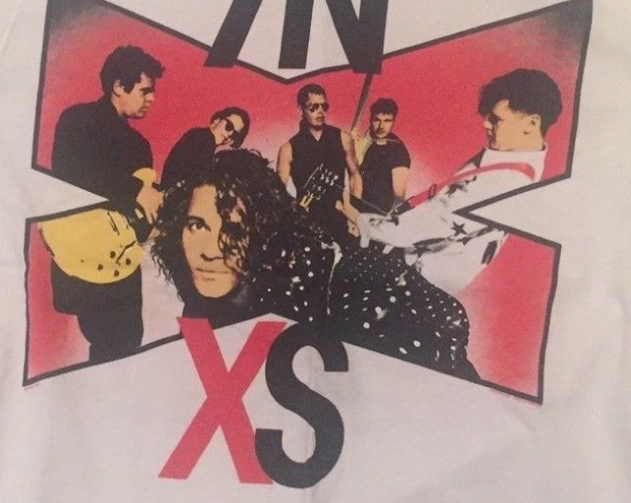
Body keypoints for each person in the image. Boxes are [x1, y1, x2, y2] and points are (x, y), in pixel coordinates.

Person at [153, 150, 476, 379]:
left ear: (264, 231)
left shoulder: (338, 282)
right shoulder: (201, 296)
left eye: (234, 230)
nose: (210, 252)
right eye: (197, 226)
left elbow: (448, 318)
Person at [355, 69, 563, 295]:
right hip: (405, 266)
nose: (486, 125)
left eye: (496, 119)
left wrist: (358, 220)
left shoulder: (504, 182)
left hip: (409, 284)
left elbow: (425, 224)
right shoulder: (509, 157)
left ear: (531, 124)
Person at [49, 45, 165, 362]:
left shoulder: (140, 145)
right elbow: (70, 176)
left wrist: (155, 218)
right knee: (111, 342)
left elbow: (139, 217)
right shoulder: (77, 120)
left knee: (128, 342)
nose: (152, 99)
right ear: (118, 86)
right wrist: (134, 190)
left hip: (122, 262)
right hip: (85, 256)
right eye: (145, 90)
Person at [277, 83, 362, 243]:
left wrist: (356, 216)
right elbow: (278, 193)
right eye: (314, 107)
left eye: (324, 106)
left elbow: (355, 176)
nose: (320, 111)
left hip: (341, 219)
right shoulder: (288, 149)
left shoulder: (343, 138)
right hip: (306, 223)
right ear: (301, 110)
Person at [159, 106, 250, 191]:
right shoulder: (204, 139)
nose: (229, 134)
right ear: (217, 120)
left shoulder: (201, 137)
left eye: (235, 134)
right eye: (229, 126)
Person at [356, 97, 410, 215]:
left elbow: (399, 196)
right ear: (370, 120)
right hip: (352, 205)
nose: (381, 126)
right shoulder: (365, 142)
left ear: (393, 122)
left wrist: (385, 221)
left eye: (387, 121)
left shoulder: (398, 151)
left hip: (375, 214)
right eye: (377, 120)